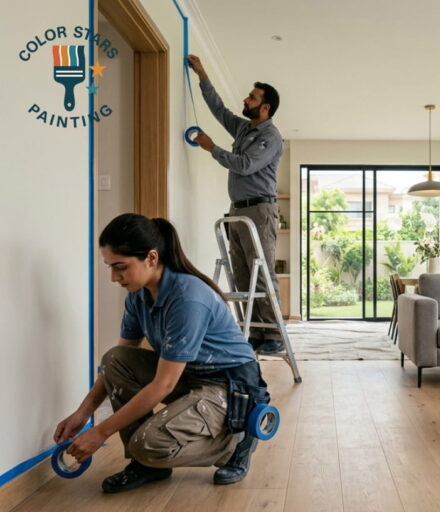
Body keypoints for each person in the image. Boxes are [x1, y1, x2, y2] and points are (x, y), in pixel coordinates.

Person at [54, 213, 269, 493]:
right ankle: (146, 466)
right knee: (115, 359)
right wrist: (83, 415)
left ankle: (235, 442)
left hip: (229, 387)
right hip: (189, 377)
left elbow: (163, 384)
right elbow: (117, 365)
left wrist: (101, 431)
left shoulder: (187, 298)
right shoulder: (138, 295)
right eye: (109, 267)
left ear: (152, 258)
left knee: (147, 444)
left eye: (120, 267)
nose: (113, 277)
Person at [186, 54, 284, 354]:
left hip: (260, 210)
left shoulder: (271, 137)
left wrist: (211, 147)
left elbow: (244, 165)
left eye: (252, 97)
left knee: (262, 271)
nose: (246, 98)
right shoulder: (243, 129)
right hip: (238, 210)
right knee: (242, 273)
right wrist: (202, 74)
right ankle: (254, 332)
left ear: (264, 106)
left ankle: (274, 334)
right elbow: (219, 109)